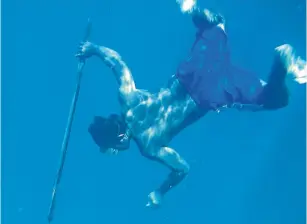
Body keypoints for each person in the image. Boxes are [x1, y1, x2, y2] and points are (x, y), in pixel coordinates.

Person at [76, 0, 306, 208]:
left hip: (211, 93)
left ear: (121, 139)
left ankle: (281, 61)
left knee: (276, 99)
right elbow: (119, 64)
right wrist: (93, 49)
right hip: (190, 74)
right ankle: (190, 7)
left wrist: (160, 192)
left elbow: (182, 168)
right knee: (216, 23)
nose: (111, 152)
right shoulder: (128, 99)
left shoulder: (150, 147)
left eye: (111, 148)